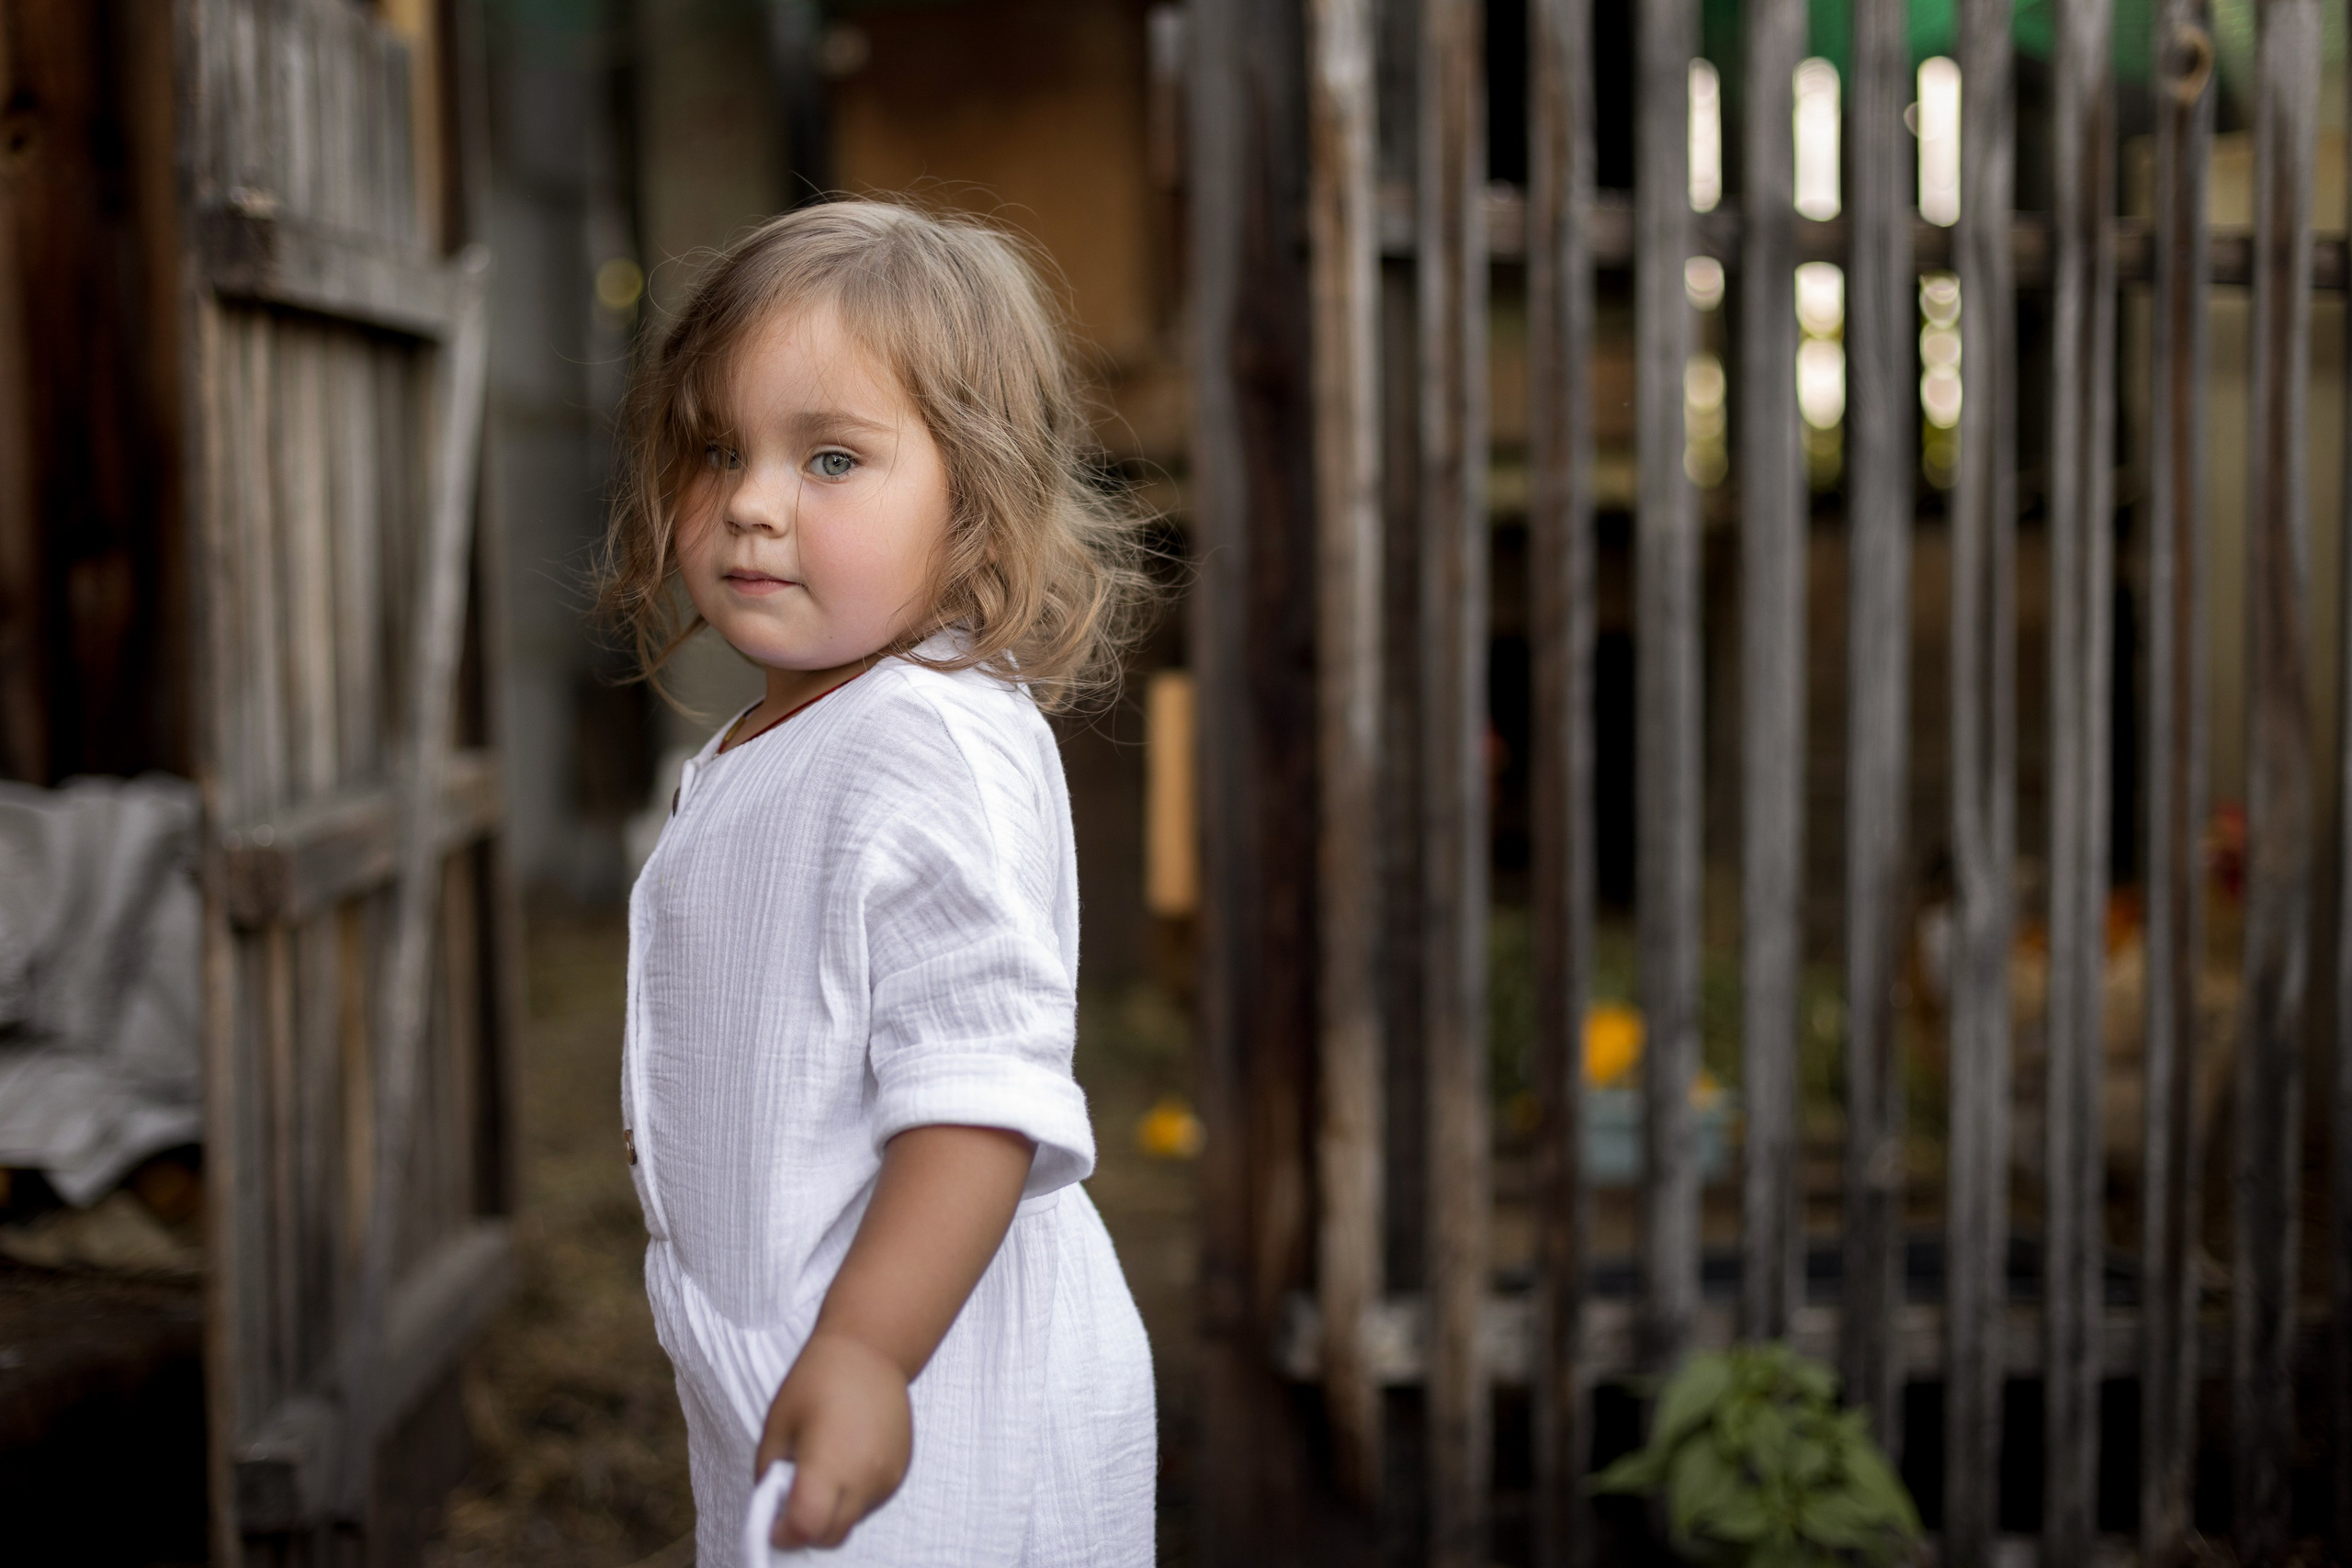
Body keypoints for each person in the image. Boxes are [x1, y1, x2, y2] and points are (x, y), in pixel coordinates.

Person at [594, 198, 1158, 1565]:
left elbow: (978, 1094)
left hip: (937, 1400)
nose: (751, 501)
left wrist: (866, 1350)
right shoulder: (792, 733)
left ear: (974, 500)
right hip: (815, 1371)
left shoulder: (923, 740)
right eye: (716, 449)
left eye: (832, 458)